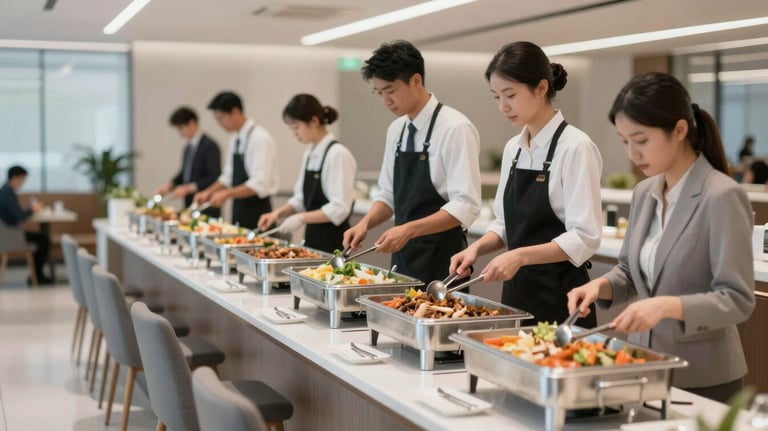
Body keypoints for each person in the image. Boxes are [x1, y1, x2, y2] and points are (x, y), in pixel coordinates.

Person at [567, 72, 755, 403]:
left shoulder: (722, 196)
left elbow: (737, 299)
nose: (632, 153)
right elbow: (628, 270)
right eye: (625, 142)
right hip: (644, 364)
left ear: (680, 130)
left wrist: (668, 306)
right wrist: (599, 286)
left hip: (703, 377)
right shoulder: (644, 192)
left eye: (641, 140)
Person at [450, 41, 603, 327]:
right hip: (517, 291)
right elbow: (505, 223)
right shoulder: (514, 149)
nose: (503, 107)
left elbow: (585, 236)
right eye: (496, 97)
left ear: (542, 88)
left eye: (511, 95)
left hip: (562, 296)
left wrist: (519, 255)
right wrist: (476, 249)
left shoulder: (576, 147)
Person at [343, 40, 481, 284]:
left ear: (416, 81)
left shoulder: (455, 128)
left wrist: (408, 229)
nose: (386, 100)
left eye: (391, 90)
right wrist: (365, 223)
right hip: (403, 256)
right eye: (380, 93)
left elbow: (465, 206)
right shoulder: (396, 130)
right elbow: (388, 195)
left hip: (444, 261)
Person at [257, 94, 356, 253]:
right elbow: (301, 199)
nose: (294, 133)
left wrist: (301, 218)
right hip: (313, 240)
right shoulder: (310, 153)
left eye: (296, 127)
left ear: (314, 121)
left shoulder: (338, 154)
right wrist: (277, 214)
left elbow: (340, 208)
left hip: (334, 244)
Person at [194, 91, 278, 228]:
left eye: (221, 118)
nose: (220, 124)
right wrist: (209, 192)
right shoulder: (235, 138)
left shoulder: (260, 138)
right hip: (238, 208)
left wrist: (226, 194)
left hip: (258, 212)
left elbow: (259, 184)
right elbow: (228, 175)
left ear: (235, 111)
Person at [156, 106, 222, 218]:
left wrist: (188, 188)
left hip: (205, 204)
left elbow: (213, 176)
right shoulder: (188, 148)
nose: (180, 133)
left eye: (181, 128)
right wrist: (170, 185)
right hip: (189, 203)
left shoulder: (210, 146)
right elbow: (184, 173)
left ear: (192, 123)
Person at [0, 166, 51, 284]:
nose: (23, 182)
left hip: (8, 234)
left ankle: (36, 274)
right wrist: (33, 209)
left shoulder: (6, 190)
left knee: (41, 238)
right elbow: (19, 216)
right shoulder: (7, 192)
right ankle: (37, 275)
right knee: (43, 239)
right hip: (11, 236)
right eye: (23, 179)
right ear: (16, 178)